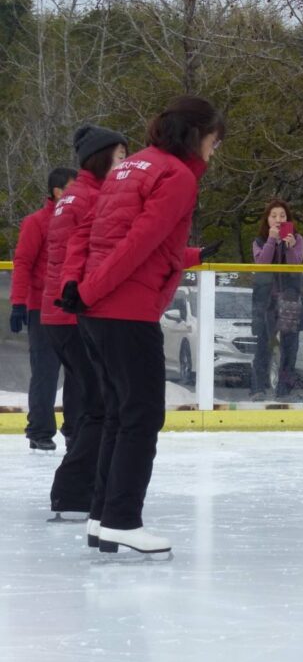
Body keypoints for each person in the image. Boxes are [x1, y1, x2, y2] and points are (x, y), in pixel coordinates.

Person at [56, 95, 225, 554]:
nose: (215, 149)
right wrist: (89, 290)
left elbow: (89, 232)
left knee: (118, 413)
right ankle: (122, 520)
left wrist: (75, 286)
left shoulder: (130, 167)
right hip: (124, 310)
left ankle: (100, 517)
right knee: (142, 414)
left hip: (98, 311)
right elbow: (138, 244)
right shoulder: (177, 176)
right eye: (214, 139)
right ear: (197, 135)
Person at [42, 125, 128, 520]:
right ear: (101, 158)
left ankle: (79, 488)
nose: (126, 165)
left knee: (94, 404)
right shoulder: (91, 198)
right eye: (121, 157)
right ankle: (74, 491)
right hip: (72, 313)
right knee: (98, 406)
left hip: (60, 315)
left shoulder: (76, 196)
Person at [9, 166, 76, 452]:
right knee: (46, 371)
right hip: (42, 309)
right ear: (58, 191)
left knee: (79, 373)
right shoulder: (36, 223)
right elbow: (23, 263)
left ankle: (76, 428)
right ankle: (39, 429)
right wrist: (18, 303)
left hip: (75, 308)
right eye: (74, 188)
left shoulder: (81, 221)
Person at [251, 199, 303, 400]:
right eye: (274, 216)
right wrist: (272, 241)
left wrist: (290, 246)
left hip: (290, 300)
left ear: (288, 219)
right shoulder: (259, 241)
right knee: (264, 344)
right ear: (267, 219)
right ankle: (258, 388)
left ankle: (285, 388)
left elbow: (295, 267)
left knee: (290, 346)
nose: (278, 220)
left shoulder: (297, 239)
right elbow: (262, 264)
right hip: (267, 302)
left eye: (282, 216)